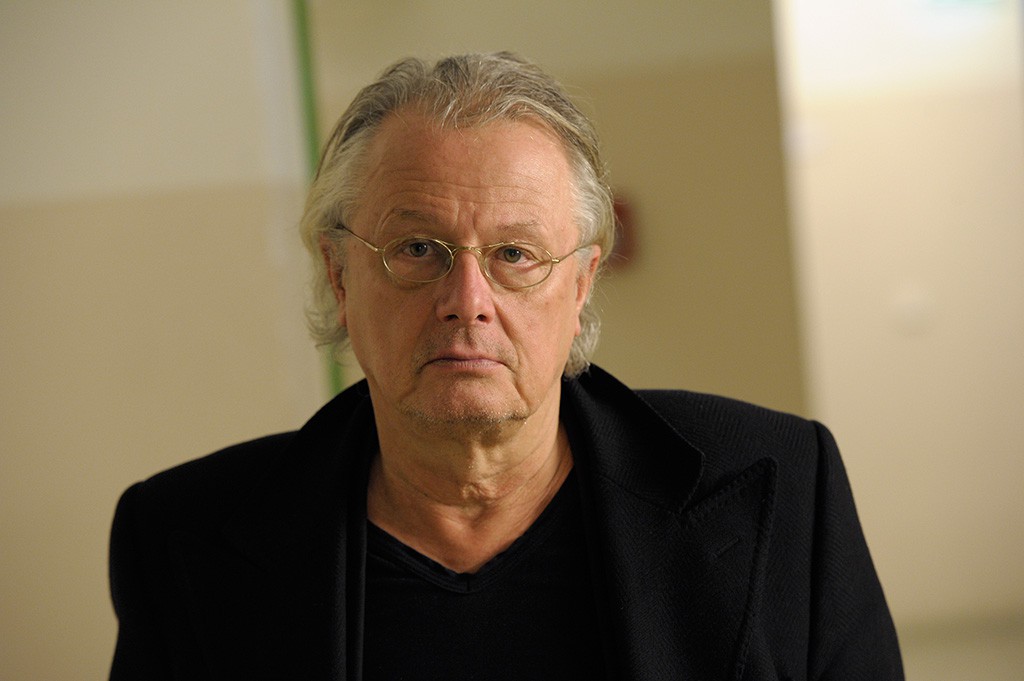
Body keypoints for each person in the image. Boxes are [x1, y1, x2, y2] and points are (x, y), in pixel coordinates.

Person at [108, 52, 903, 680]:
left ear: (581, 283)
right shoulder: (181, 542)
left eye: (515, 254)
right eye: (417, 248)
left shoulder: (779, 486)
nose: (467, 301)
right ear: (339, 277)